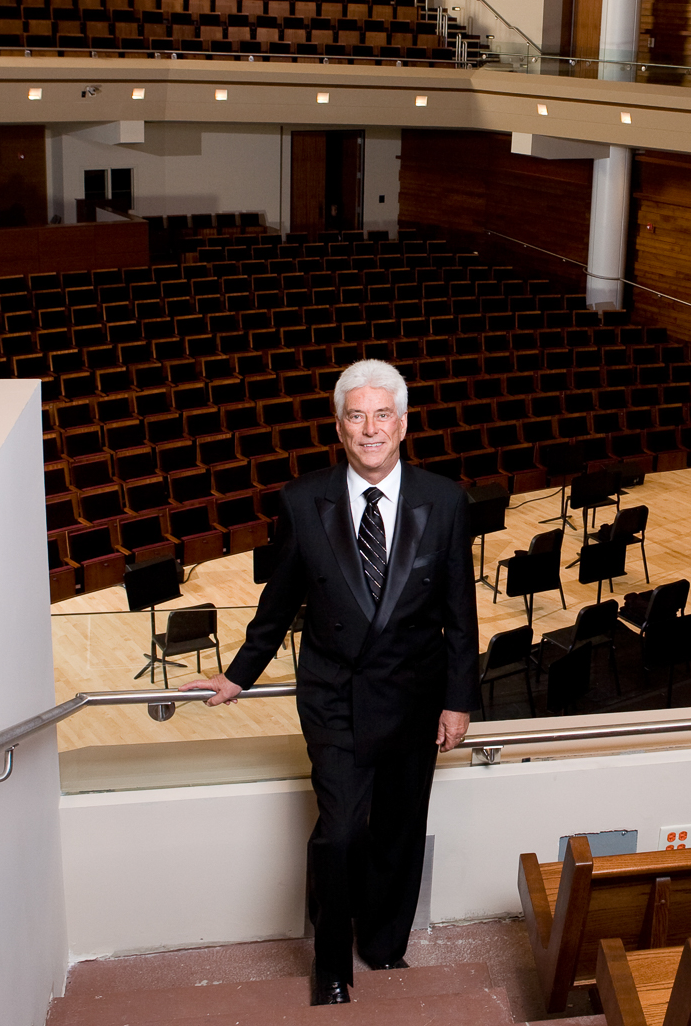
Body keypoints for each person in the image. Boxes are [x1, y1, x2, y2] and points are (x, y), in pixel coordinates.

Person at [180, 359, 478, 1006]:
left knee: (400, 828)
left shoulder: (446, 500)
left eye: (381, 414)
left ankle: (384, 945)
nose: (369, 428)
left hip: (413, 696)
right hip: (334, 696)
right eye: (355, 415)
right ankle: (331, 964)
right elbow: (279, 600)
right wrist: (238, 674)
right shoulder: (301, 501)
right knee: (341, 829)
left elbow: (461, 611)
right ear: (339, 426)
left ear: (402, 423)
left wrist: (458, 700)